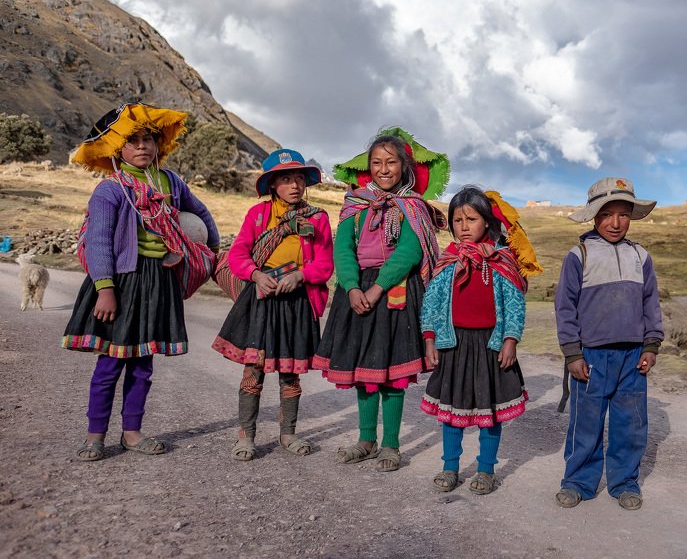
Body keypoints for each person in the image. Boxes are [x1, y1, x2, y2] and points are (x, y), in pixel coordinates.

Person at [63, 102, 219, 461]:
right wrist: (105, 289)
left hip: (159, 280)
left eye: (148, 139)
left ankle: (132, 433)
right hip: (121, 281)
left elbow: (200, 212)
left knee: (143, 365)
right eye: (133, 141)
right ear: (118, 148)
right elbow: (99, 240)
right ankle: (95, 435)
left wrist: (211, 247)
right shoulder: (111, 190)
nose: (143, 146)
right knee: (110, 363)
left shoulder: (171, 182)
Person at [312, 128, 448, 472]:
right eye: (377, 162)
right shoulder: (355, 203)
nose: (384, 169)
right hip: (354, 291)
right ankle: (366, 440)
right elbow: (342, 248)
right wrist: (353, 287)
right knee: (364, 371)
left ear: (404, 167)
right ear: (368, 166)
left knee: (392, 374)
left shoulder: (412, 206)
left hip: (395, 292)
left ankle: (390, 445)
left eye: (391, 162)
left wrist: (376, 288)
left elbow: (410, 250)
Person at [420, 186, 542, 495]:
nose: (463, 227)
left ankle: (486, 470)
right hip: (454, 346)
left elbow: (515, 304)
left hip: (491, 345)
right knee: (453, 412)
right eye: (457, 220)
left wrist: (511, 340)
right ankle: (450, 466)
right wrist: (430, 339)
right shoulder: (448, 261)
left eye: (471, 219)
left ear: (486, 222)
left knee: (489, 414)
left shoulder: (501, 261)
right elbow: (431, 304)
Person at [212, 149, 333, 461]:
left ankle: (288, 434)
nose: (294, 185)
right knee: (254, 368)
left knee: (290, 372)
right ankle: (246, 435)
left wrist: (302, 276)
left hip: (297, 302)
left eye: (298, 178)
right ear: (272, 185)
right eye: (285, 179)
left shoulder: (317, 218)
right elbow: (239, 253)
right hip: (262, 300)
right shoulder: (258, 215)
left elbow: (325, 264)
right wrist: (255, 274)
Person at [554, 177, 663, 511]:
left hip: (632, 356)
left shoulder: (640, 256)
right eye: (607, 214)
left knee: (630, 423)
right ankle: (577, 482)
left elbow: (651, 304)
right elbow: (565, 307)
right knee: (585, 423)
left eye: (623, 214)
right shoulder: (579, 255)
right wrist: (573, 353)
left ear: (631, 216)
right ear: (593, 216)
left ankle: (624, 482)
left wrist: (651, 345)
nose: (616, 223)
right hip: (591, 356)